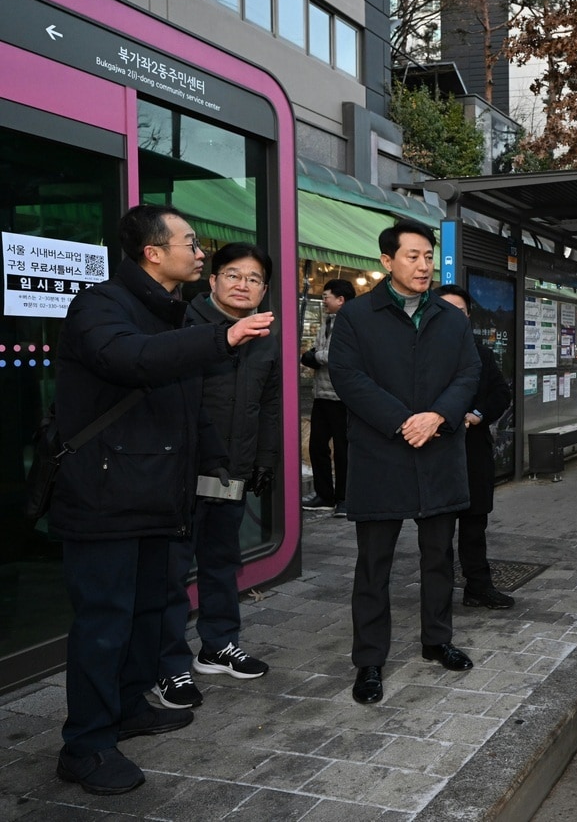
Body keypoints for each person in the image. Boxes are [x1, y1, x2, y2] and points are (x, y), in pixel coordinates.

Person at [51, 204, 274, 795]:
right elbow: (132, 361)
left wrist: (220, 463)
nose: (201, 252)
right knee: (103, 623)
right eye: (190, 242)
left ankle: (128, 705)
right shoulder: (101, 307)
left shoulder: (169, 314)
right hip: (103, 495)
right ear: (154, 252)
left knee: (148, 611)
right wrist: (221, 336)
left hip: (156, 495)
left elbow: (184, 403)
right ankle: (86, 745)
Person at [330, 221, 481, 705]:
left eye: (428, 256)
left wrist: (437, 416)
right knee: (374, 564)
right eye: (412, 256)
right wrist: (402, 421)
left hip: (438, 451)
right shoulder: (357, 316)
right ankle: (369, 660)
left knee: (439, 556)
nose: (423, 265)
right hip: (381, 454)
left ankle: (437, 641)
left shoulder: (450, 316)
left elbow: (469, 371)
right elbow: (348, 377)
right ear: (387, 261)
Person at [154, 243, 279, 710]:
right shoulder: (182, 326)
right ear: (212, 281)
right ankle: (168, 667)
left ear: (264, 290)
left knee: (221, 562)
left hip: (233, 470)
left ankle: (217, 645)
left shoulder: (265, 335)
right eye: (233, 275)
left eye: (253, 279)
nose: (243, 285)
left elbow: (268, 405)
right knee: (168, 573)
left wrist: (264, 461)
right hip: (181, 473)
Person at [435, 285, 515, 609]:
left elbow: (500, 394)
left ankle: (478, 588)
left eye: (460, 311)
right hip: (436, 453)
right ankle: (437, 594)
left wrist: (478, 415)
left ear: (468, 317)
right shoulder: (419, 356)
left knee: (474, 527)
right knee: (437, 533)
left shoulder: (481, 353)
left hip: (473, 451)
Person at [301, 278, 356, 512]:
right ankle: (325, 496)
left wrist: (314, 357)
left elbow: (340, 355)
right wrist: (313, 356)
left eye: (326, 296)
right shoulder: (327, 321)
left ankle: (345, 498)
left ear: (340, 300)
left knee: (343, 450)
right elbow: (318, 350)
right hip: (321, 394)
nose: (323, 300)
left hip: (342, 397)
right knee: (317, 447)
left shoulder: (351, 322)